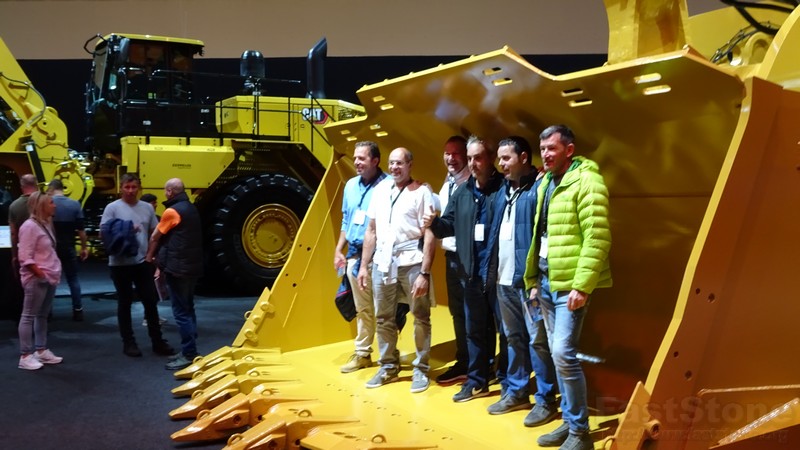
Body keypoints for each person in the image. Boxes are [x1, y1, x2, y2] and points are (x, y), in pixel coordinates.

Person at [524, 125, 612, 450]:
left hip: (569, 286)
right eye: (542, 149)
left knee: (563, 353)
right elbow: (541, 235)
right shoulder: (547, 182)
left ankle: (580, 434)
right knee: (556, 352)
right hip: (547, 281)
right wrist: (533, 280)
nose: (546, 154)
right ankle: (569, 421)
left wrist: (582, 286)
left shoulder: (588, 181)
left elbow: (597, 237)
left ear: (569, 150)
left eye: (552, 148)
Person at [425, 136, 505, 403]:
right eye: (469, 158)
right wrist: (433, 223)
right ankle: (477, 381)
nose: (472, 163)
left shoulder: (504, 189)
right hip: (471, 272)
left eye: (477, 157)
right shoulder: (463, 192)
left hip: (499, 273)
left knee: (507, 333)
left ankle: (507, 383)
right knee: (474, 330)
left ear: (490, 158)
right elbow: (447, 224)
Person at [484, 136, 558, 421]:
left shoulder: (539, 189)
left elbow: (545, 236)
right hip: (503, 282)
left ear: (524, 158)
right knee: (513, 337)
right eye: (499, 158)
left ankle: (546, 400)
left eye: (507, 158)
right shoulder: (503, 190)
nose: (501, 164)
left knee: (538, 340)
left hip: (529, 285)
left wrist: (537, 279)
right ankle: (516, 392)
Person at [358, 147, 435, 394]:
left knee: (420, 315)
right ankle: (388, 366)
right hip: (382, 262)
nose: (394, 167)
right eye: (391, 163)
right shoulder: (380, 191)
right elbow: (371, 230)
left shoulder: (422, 192)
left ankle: (421, 368)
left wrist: (424, 272)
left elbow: (430, 233)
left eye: (399, 163)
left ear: (410, 164)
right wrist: (363, 266)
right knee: (383, 317)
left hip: (412, 261)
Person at [100, 173, 174, 358]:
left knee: (150, 302)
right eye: (127, 187)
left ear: (139, 188)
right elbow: (103, 234)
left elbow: (154, 234)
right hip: (119, 264)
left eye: (134, 187)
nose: (130, 191)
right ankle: (129, 343)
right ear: (121, 188)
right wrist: (124, 231)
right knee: (124, 303)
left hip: (142, 263)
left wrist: (150, 256)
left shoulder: (147, 208)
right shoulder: (112, 208)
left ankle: (157, 341)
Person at [333, 141, 387, 373]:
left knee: (385, 309)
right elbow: (346, 220)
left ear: (375, 161)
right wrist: (339, 249)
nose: (356, 162)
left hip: (381, 257)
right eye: (355, 158)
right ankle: (363, 353)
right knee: (363, 309)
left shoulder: (388, 185)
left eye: (362, 158)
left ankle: (388, 357)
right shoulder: (350, 186)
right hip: (355, 257)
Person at [145, 178, 203, 370]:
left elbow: (156, 236)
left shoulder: (172, 211)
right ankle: (189, 349)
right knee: (189, 308)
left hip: (177, 268)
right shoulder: (191, 208)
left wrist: (150, 256)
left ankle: (189, 353)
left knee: (181, 312)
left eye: (165, 190)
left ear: (170, 191)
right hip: (192, 266)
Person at [433, 136, 470, 385]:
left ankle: (478, 364)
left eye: (456, 153)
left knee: (473, 313)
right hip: (451, 256)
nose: (450, 158)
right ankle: (464, 361)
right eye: (447, 153)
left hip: (467, 256)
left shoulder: (470, 183)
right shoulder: (448, 182)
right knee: (458, 312)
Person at [16, 192, 63, 370]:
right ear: (41, 205)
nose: (54, 205)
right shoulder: (29, 226)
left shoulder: (45, 224)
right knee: (28, 315)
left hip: (48, 277)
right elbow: (25, 257)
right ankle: (25, 355)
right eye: (51, 202)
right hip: (37, 278)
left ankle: (41, 350)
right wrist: (40, 274)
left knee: (42, 315)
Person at [47, 179, 89, 321]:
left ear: (51, 189)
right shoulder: (75, 204)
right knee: (73, 278)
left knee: (49, 280)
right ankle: (78, 310)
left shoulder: (47, 203)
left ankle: (48, 312)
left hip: (51, 248)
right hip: (69, 246)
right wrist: (84, 247)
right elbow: (81, 230)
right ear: (63, 188)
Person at [140, 193, 170, 307]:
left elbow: (161, 240)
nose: (156, 205)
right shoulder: (141, 219)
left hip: (154, 256)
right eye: (153, 203)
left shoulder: (158, 219)